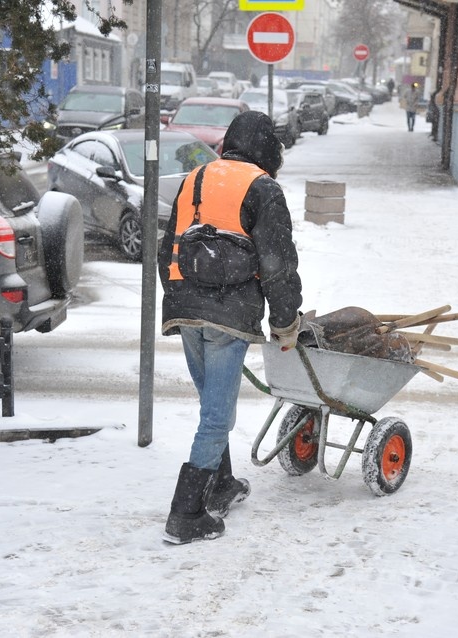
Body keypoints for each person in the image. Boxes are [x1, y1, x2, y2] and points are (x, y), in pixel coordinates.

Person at [158, 111, 304, 545]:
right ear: (266, 149)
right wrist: (285, 322)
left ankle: (220, 485)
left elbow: (169, 244)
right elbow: (277, 265)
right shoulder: (263, 188)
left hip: (185, 307)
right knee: (218, 416)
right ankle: (186, 514)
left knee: (211, 408)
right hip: (229, 312)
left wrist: (181, 294)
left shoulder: (196, 178)